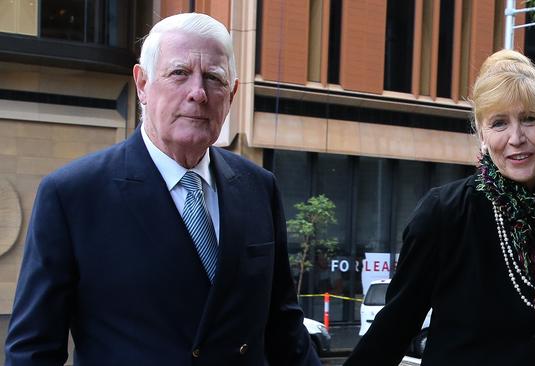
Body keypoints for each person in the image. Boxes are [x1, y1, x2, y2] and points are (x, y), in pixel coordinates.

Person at [5, 13, 320, 366]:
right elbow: (33, 352)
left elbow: (285, 330)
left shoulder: (258, 187)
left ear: (231, 94)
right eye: (179, 73)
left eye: (214, 78)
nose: (198, 93)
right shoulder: (73, 195)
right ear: (142, 83)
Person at [344, 50, 535, 366]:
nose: (516, 138)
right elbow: (394, 328)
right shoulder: (444, 214)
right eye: (499, 123)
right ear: (481, 134)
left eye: (530, 119)